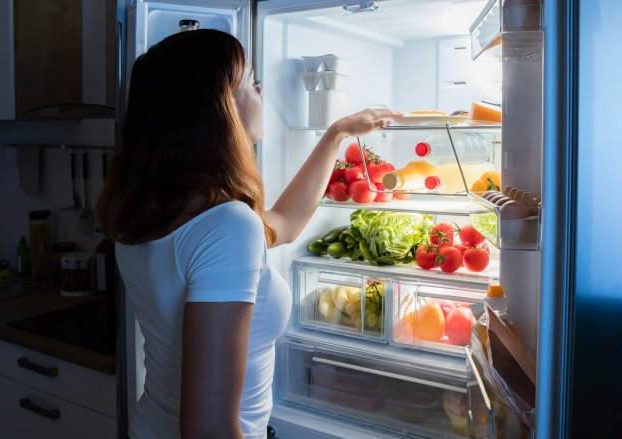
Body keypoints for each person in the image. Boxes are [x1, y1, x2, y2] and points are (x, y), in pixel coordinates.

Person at [97, 29, 400, 439]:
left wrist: (337, 133)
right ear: (222, 107)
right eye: (249, 83)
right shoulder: (226, 225)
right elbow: (208, 431)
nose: (260, 90)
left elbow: (284, 223)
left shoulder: (144, 209)